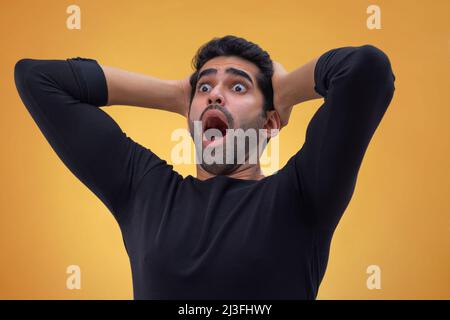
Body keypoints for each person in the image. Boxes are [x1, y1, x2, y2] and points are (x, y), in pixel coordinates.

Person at [14, 35, 395, 299]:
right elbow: (38, 79)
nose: (214, 93)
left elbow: (366, 69)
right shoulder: (144, 191)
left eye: (239, 87)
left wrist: (286, 91)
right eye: (204, 87)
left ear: (270, 123)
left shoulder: (302, 196)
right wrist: (174, 95)